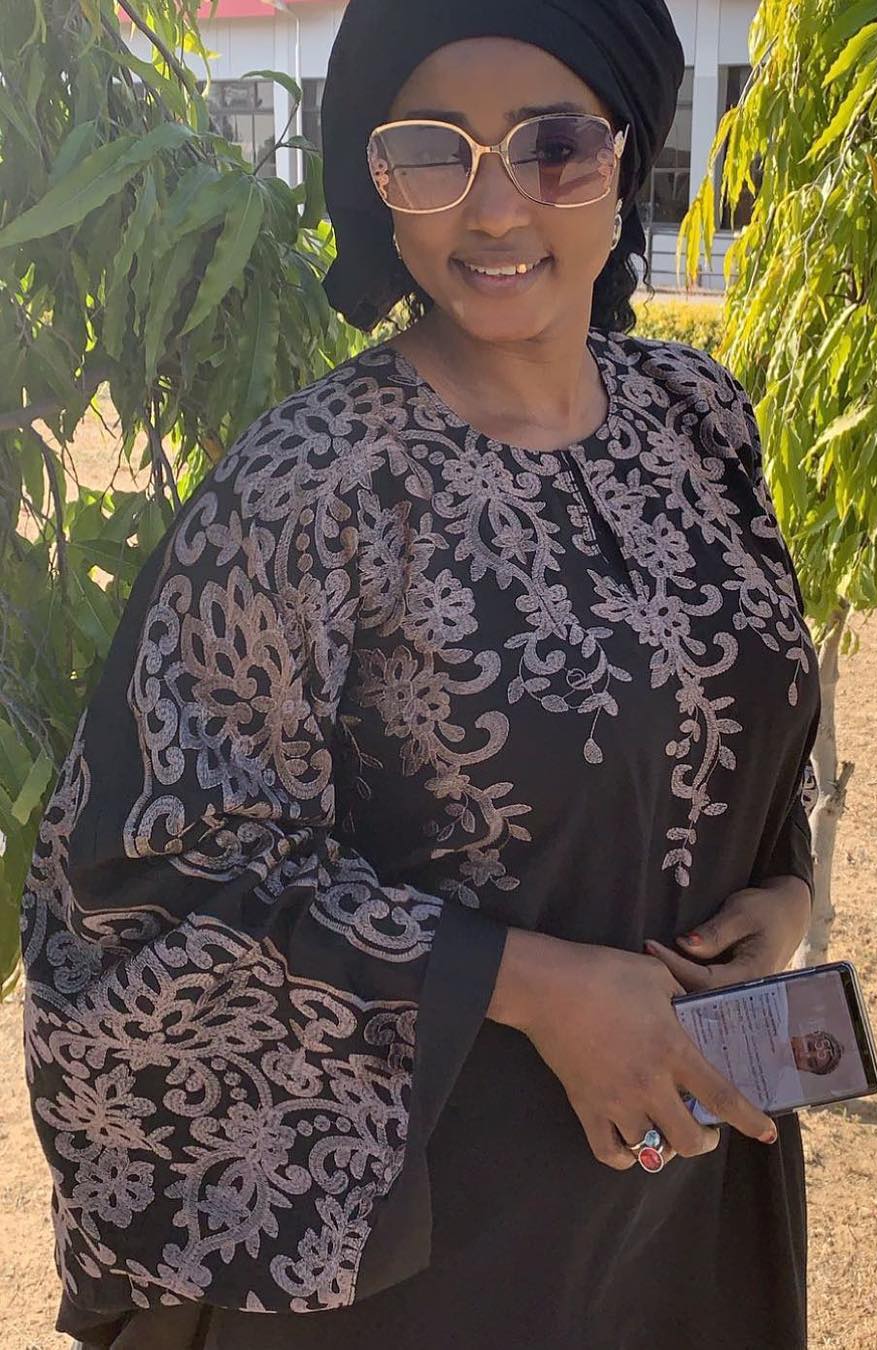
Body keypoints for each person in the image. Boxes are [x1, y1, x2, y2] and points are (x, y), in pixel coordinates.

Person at [22, 1, 822, 1346]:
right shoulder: (311, 485)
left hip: (689, 1177)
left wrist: (783, 887)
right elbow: (148, 876)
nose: (494, 209)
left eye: (552, 146)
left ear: (628, 157)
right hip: (435, 1239)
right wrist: (534, 986)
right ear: (378, 183)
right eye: (433, 152)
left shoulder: (698, 419)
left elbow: (747, 701)